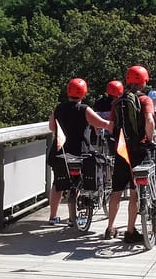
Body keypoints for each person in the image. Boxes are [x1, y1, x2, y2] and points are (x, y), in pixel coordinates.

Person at [47, 78, 112, 226]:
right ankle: (72, 218)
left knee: (58, 183)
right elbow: (100, 123)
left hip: (60, 151)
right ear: (84, 92)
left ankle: (52, 216)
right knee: (76, 182)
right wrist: (113, 125)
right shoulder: (84, 109)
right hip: (79, 151)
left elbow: (52, 127)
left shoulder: (59, 108)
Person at [106, 65, 156, 243]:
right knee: (135, 192)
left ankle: (110, 227)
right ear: (144, 80)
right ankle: (129, 231)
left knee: (116, 191)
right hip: (138, 150)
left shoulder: (117, 101)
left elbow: (111, 127)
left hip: (121, 150)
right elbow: (149, 120)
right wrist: (150, 140)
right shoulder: (144, 100)